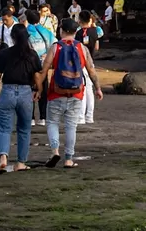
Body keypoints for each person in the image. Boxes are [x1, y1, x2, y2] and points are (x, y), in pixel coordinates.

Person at [39, 18, 101, 168]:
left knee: (52, 122)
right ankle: (68, 159)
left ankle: (55, 151)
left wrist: (38, 89)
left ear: (62, 31)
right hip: (76, 93)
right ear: (75, 32)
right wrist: (97, 88)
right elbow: (91, 70)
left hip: (56, 92)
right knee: (71, 126)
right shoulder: (82, 48)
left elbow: (44, 71)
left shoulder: (55, 47)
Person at [0, 19, 43, 173]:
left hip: (8, 90)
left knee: (5, 128)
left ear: (12, 37)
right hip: (26, 91)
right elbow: (37, 76)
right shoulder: (32, 55)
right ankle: (21, 162)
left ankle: (3, 158)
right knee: (24, 129)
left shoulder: (5, 53)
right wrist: (39, 90)